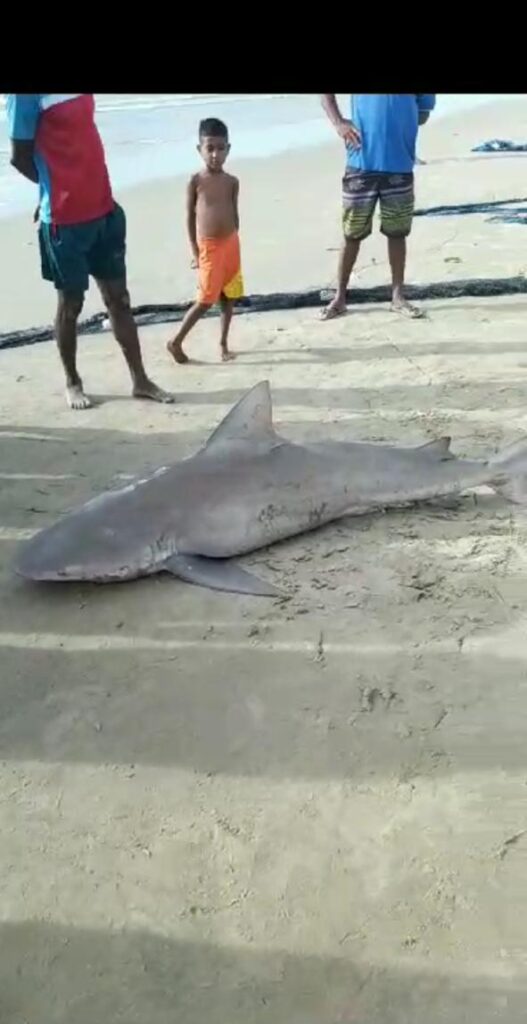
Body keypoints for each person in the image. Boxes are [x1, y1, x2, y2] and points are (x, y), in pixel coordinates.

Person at [7, 93, 173, 409]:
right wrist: (51, 189)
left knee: (119, 301)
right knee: (71, 304)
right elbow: (19, 156)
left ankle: (140, 380)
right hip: (63, 220)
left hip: (104, 208)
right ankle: (73, 381)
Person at [320, 94, 436, 321]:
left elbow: (423, 114)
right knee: (352, 233)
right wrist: (339, 122)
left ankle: (398, 296)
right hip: (361, 163)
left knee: (397, 232)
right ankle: (340, 298)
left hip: (400, 164)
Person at [167, 118, 243, 365]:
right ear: (199, 149)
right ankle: (176, 340)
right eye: (209, 148)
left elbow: (234, 212)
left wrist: (235, 238)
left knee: (229, 296)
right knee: (205, 299)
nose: (215, 154)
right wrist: (195, 250)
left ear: (228, 149)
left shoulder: (232, 182)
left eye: (220, 148)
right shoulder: (196, 181)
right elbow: (190, 216)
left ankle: (223, 343)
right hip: (208, 246)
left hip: (231, 244)